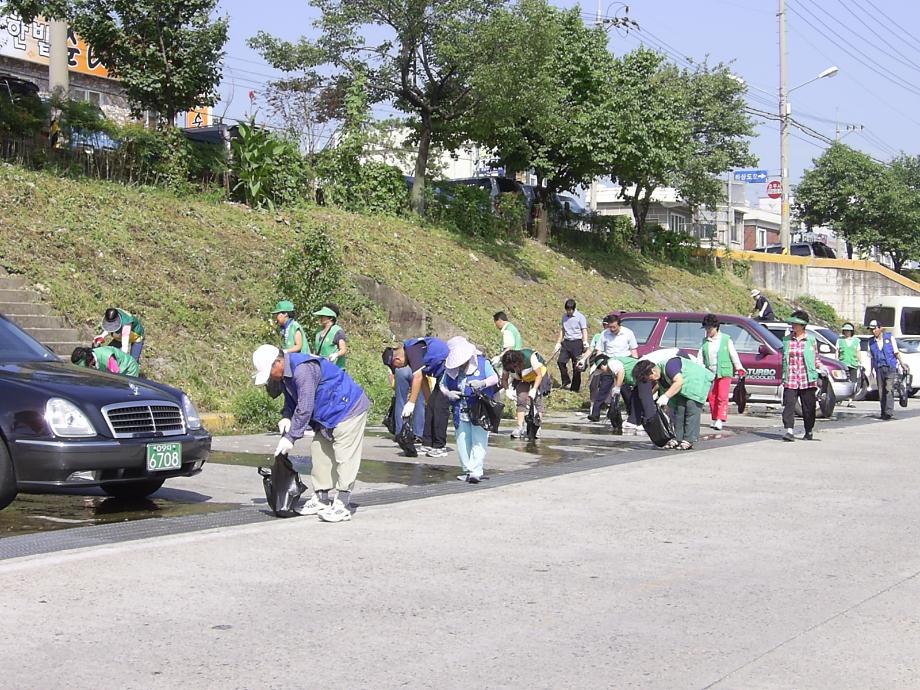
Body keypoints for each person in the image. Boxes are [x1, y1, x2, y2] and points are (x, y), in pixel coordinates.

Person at [252, 344, 370, 523]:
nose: (270, 379)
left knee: (345, 455)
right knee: (320, 450)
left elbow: (305, 408)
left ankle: (343, 504)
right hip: (326, 413)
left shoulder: (302, 370)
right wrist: (286, 417)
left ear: (278, 362)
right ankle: (322, 499)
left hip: (347, 408)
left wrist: (290, 438)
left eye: (269, 374)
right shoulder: (286, 375)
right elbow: (292, 400)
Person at [440, 337, 500, 484]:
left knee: (479, 441)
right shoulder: (451, 371)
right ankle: (467, 470)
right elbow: (442, 385)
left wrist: (482, 383)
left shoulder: (483, 363)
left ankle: (476, 471)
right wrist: (449, 394)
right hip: (460, 410)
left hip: (479, 409)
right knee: (462, 441)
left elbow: (494, 378)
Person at [382, 337, 450, 458]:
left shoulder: (412, 350)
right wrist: (429, 401)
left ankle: (440, 446)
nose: (398, 368)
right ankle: (428, 443)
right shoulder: (412, 355)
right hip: (440, 371)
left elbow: (417, 377)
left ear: (397, 359)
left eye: (396, 366)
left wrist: (411, 403)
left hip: (449, 369)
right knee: (431, 407)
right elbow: (423, 379)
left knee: (439, 408)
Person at [634, 356, 714, 450]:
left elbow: (679, 382)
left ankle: (689, 439)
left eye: (649, 378)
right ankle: (678, 438)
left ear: (653, 371)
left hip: (698, 381)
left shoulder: (670, 366)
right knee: (679, 410)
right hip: (685, 388)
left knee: (691, 408)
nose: (650, 381)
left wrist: (666, 396)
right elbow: (661, 387)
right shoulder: (660, 376)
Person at [697, 314, 745, 431]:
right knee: (712, 396)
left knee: (722, 396)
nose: (708, 331)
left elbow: (733, 354)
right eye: (706, 328)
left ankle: (720, 419)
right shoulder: (705, 341)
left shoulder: (726, 339)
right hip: (710, 372)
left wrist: (739, 367)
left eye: (710, 328)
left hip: (724, 372)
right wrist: (699, 369)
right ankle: (714, 418)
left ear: (716, 327)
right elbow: (700, 357)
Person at [594, 313, 640, 422]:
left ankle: (632, 415)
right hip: (609, 363)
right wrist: (598, 363)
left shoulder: (628, 333)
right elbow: (599, 350)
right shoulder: (604, 334)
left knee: (626, 393)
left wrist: (636, 366)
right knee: (603, 390)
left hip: (624, 364)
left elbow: (634, 351)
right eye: (610, 327)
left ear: (619, 325)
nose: (612, 329)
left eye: (614, 327)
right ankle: (595, 413)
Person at [781, 310, 819, 441]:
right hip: (791, 377)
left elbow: (816, 358)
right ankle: (789, 431)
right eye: (792, 323)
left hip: (806, 378)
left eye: (796, 324)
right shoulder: (786, 340)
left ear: (803, 326)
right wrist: (783, 376)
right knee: (789, 404)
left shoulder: (811, 340)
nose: (793, 326)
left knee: (808, 407)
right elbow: (783, 359)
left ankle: (809, 430)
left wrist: (821, 369)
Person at [501, 348, 551, 439]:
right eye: (511, 368)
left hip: (538, 375)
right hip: (522, 378)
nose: (513, 369)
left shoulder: (530, 357)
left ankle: (537, 426)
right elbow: (504, 379)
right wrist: (507, 390)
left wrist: (534, 389)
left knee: (537, 400)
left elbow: (539, 375)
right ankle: (520, 427)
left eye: (515, 366)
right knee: (521, 399)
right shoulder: (507, 364)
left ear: (519, 362)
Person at [868, 319, 903, 420]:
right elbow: (872, 357)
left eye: (875, 329)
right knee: (881, 391)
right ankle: (883, 412)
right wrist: (871, 371)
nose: (873, 331)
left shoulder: (889, 338)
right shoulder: (871, 342)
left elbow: (896, 352)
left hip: (890, 367)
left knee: (888, 388)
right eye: (871, 330)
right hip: (879, 368)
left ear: (880, 328)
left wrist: (902, 363)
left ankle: (889, 411)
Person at [550, 299, 589, 392]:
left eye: (570, 310)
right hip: (567, 342)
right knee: (561, 362)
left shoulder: (580, 317)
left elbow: (584, 330)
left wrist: (585, 341)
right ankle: (566, 380)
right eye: (567, 310)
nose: (568, 312)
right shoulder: (564, 316)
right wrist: (558, 342)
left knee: (577, 365)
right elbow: (563, 330)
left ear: (574, 309)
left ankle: (574, 389)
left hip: (577, 342)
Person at [393, 365, 426, 444]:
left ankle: (400, 433)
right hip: (417, 369)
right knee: (419, 401)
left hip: (401, 369)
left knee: (400, 401)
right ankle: (418, 434)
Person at [71, 345, 140, 377]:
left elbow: (116, 376)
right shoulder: (92, 356)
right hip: (115, 370)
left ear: (90, 360)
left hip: (128, 367)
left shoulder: (107, 357)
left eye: (86, 366)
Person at [836, 322, 860, 408]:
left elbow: (858, 352)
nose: (847, 332)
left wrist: (860, 362)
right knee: (842, 382)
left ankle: (850, 401)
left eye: (849, 331)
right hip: (843, 363)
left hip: (853, 363)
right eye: (845, 331)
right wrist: (836, 361)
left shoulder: (856, 341)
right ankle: (839, 399)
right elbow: (837, 352)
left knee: (853, 383)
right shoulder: (840, 340)